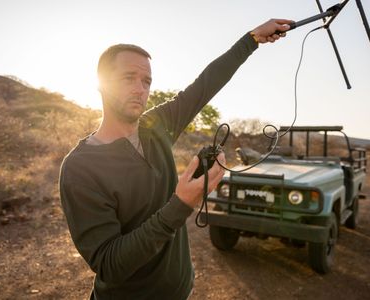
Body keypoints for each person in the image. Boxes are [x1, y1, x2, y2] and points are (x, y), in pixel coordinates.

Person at [59, 18, 292, 300]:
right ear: (101, 84)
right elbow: (109, 264)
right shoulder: (80, 167)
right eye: (128, 78)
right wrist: (181, 204)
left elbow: (205, 85)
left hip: (180, 291)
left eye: (146, 81)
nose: (140, 89)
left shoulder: (156, 125)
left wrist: (252, 38)